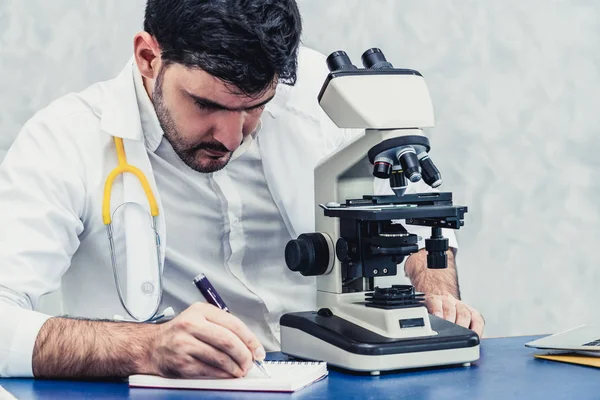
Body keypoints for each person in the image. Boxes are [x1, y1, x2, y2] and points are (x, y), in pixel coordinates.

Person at [0, 0, 484, 380]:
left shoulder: (319, 93)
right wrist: (147, 346)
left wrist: (437, 298)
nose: (230, 137)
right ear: (148, 57)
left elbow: (411, 220)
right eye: (206, 104)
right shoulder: (67, 138)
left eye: (255, 107)